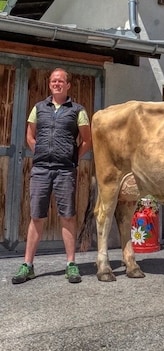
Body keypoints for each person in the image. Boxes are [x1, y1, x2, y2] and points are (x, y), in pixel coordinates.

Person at [12, 68, 92, 285]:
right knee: (36, 216)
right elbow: (30, 134)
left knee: (67, 216)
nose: (57, 84)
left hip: (65, 170)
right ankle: (27, 265)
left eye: (61, 81)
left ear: (68, 85)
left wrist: (73, 157)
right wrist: (38, 151)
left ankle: (71, 264)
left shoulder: (78, 110)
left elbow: (86, 139)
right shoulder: (38, 108)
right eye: (53, 81)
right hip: (40, 169)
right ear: (50, 84)